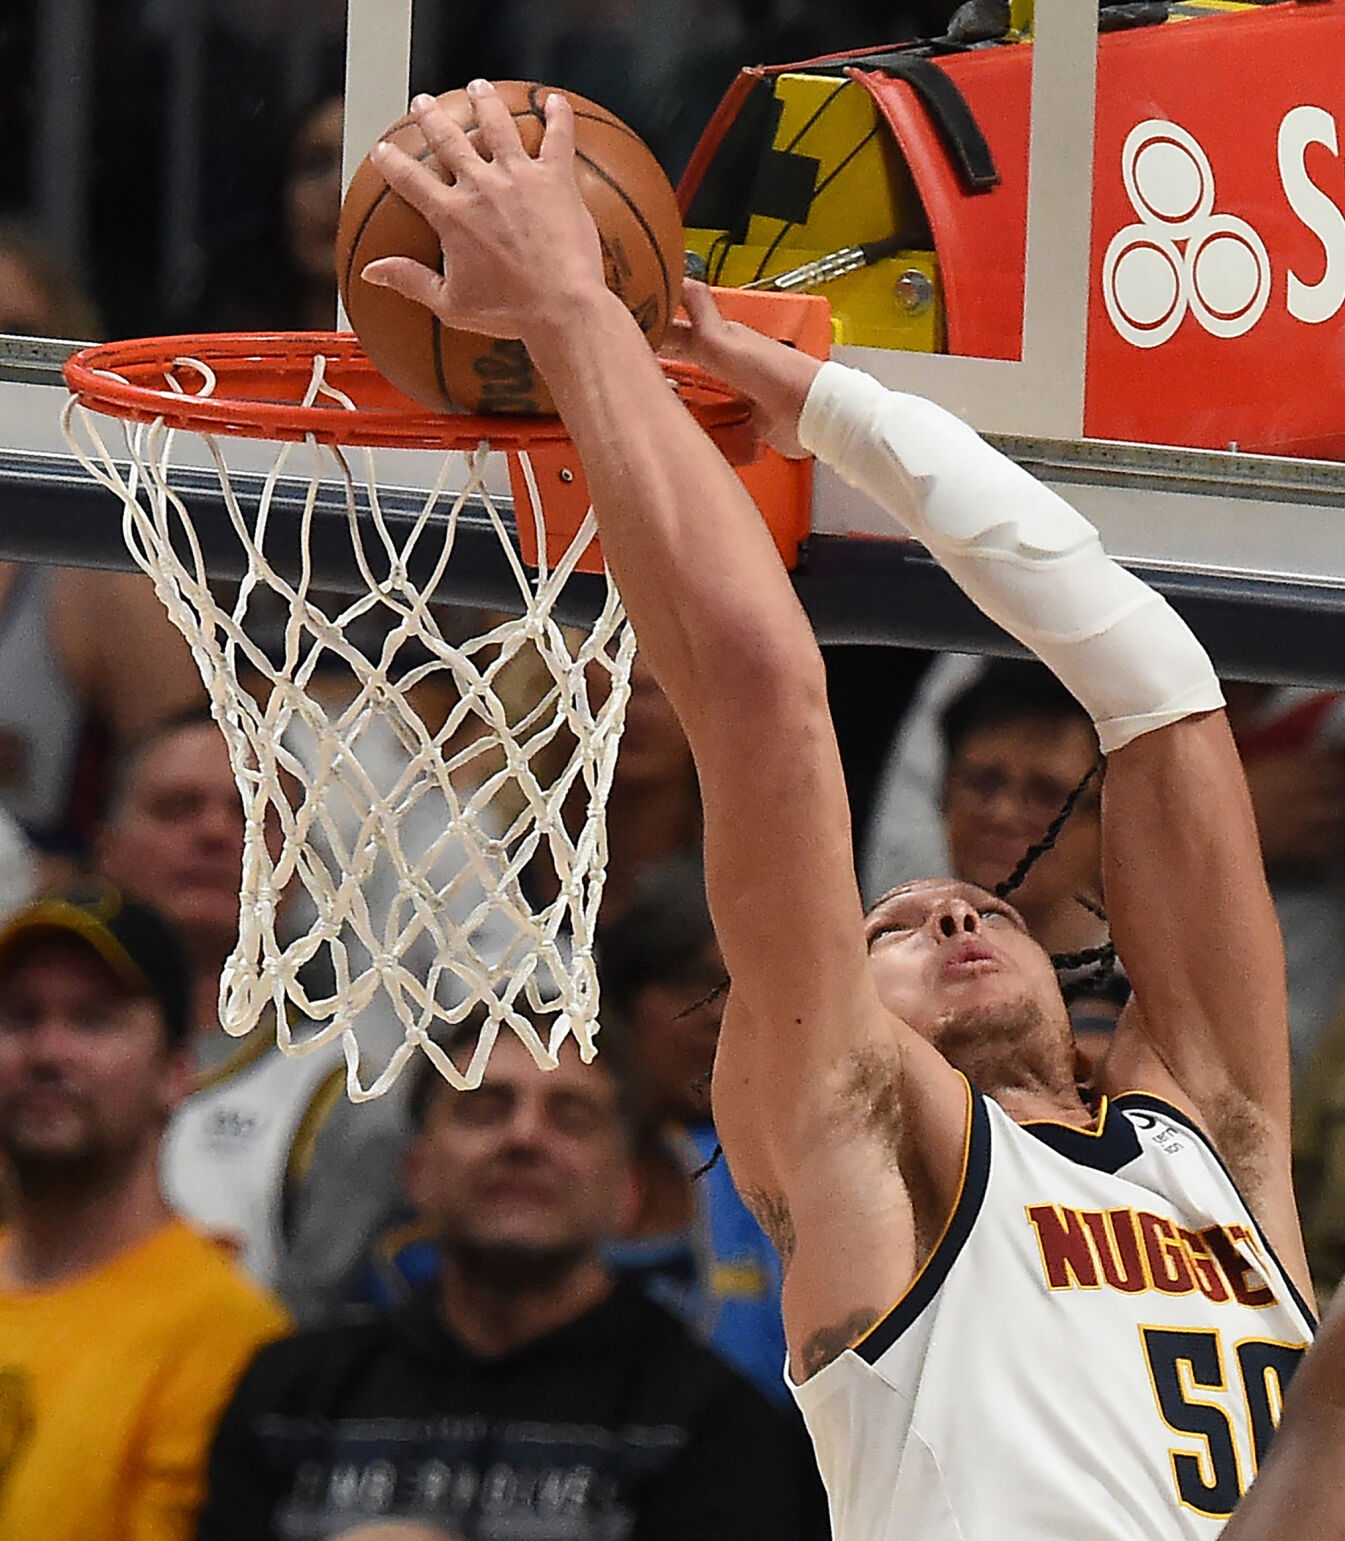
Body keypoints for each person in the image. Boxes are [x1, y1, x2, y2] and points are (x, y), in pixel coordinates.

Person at [362, 83, 1313, 1539]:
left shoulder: (1217, 1144)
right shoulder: (864, 1137)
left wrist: (843, 411)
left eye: (967, 904)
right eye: (890, 924)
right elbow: (758, 690)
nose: (942, 904)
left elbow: (1157, 684)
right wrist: (571, 310)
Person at [196, 1016, 819, 1541]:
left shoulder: (709, 1425)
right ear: (416, 1173)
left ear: (628, 1190)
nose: (524, 1137)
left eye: (571, 1116)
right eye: (483, 1109)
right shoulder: (291, 1397)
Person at [95, 710, 408, 1321]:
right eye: (177, 808)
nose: (216, 835)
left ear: (299, 867)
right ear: (106, 848)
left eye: (255, 817)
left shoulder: (342, 1091)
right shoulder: (22, 1057)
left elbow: (312, 1351)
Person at [0, 882, 289, 1540]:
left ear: (176, 1072)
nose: (48, 1052)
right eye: (20, 1017)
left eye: (93, 1020)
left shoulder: (225, 1332)